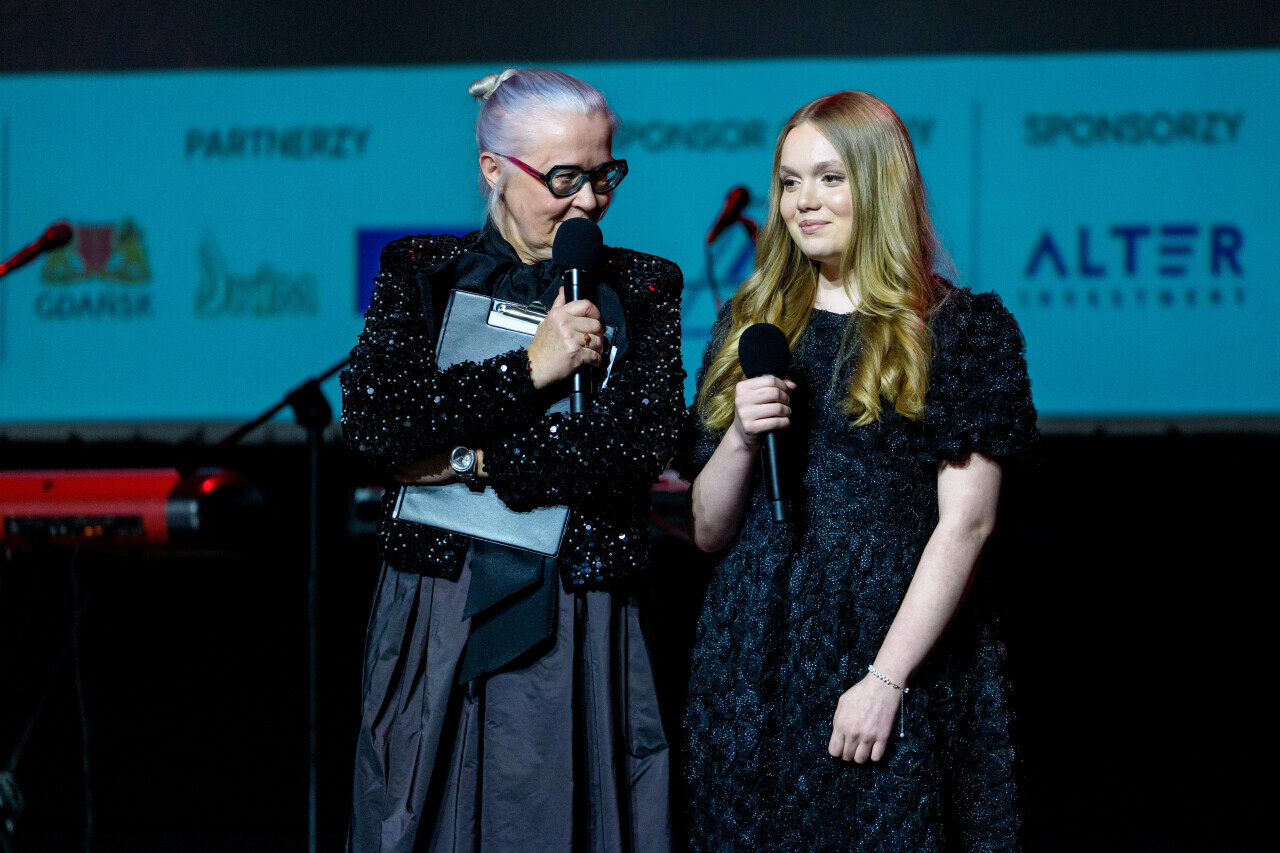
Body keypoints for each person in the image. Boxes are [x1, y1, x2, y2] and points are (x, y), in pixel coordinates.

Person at [679, 91, 1038, 851]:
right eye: (789, 181)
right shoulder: (751, 324)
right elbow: (708, 530)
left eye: (830, 178)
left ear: (879, 184)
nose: (803, 201)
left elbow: (967, 524)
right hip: (755, 655)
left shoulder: (959, 328)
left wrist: (885, 678)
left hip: (893, 644)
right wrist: (741, 433)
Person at [340, 68, 685, 852]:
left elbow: (629, 447)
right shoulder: (424, 271)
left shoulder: (640, 285)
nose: (588, 201)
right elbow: (375, 424)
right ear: (494, 168)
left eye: (604, 175)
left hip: (581, 607)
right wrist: (531, 368)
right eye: (564, 178)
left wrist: (467, 458)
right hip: (437, 603)